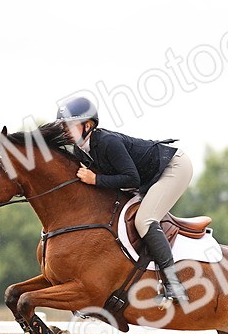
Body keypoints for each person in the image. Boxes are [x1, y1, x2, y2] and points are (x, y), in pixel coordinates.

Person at [57, 96, 193, 303]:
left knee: (144, 220)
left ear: (88, 125)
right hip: (146, 178)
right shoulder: (80, 150)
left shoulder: (107, 142)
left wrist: (96, 179)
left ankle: (174, 284)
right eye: (63, 126)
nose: (65, 130)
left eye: (70, 125)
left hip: (173, 167)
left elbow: (131, 178)